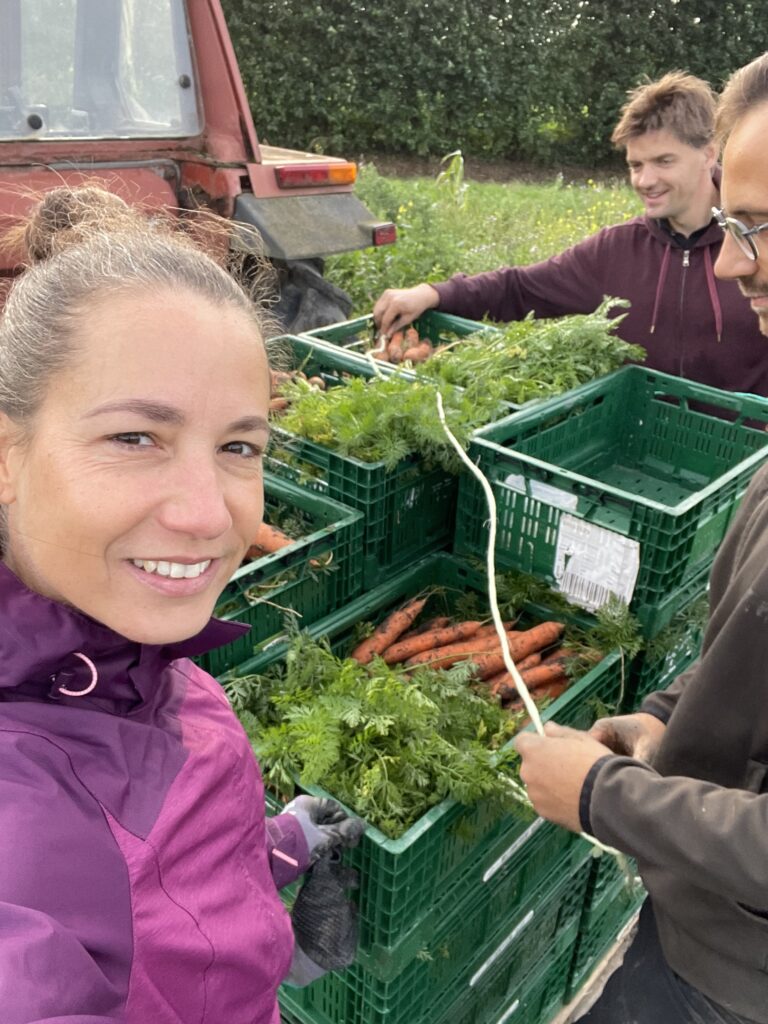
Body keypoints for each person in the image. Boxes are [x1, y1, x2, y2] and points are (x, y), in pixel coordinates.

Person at [0, 185, 363, 1023]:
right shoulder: (22, 830)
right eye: (135, 438)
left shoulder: (124, 656)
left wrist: (274, 848)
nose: (208, 514)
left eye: (239, 446)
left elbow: (150, 862)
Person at [513, 53, 768, 1024]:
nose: (736, 260)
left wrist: (607, 797)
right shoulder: (625, 251)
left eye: (761, 228)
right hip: (696, 926)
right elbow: (747, 650)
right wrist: (671, 717)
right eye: (738, 230)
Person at [373, 72, 768, 396]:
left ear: (709, 153)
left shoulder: (755, 252)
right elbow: (521, 288)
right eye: (635, 164)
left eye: (663, 161)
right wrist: (435, 292)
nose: (645, 180)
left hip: (739, 460)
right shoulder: (615, 252)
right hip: (639, 452)